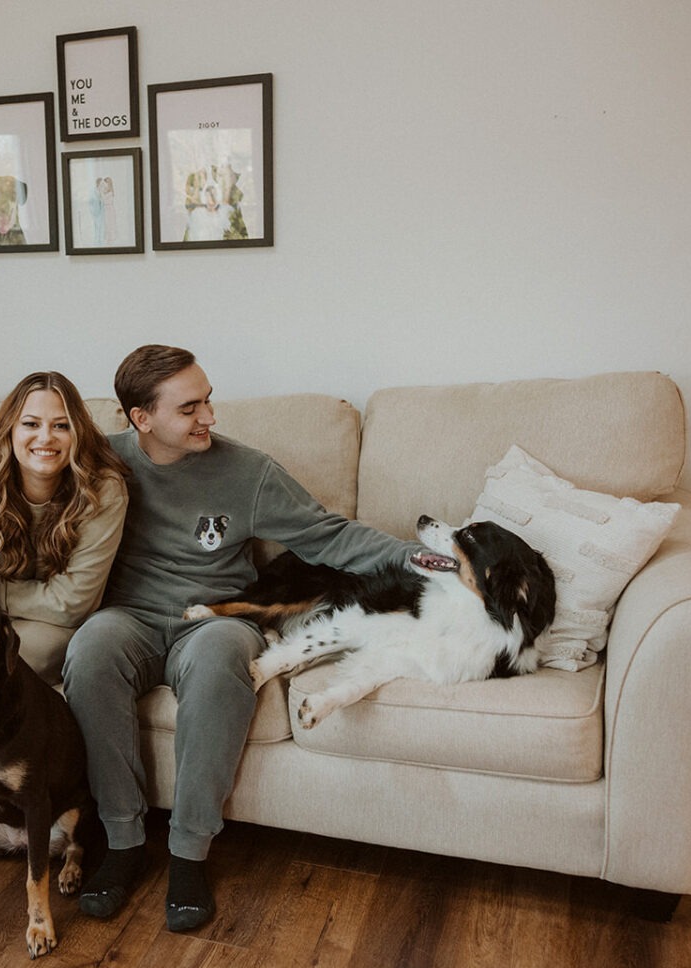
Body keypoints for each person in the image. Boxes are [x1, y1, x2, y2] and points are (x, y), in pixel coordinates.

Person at [62, 345, 421, 932]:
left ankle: (188, 853)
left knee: (221, 655)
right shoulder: (103, 461)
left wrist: (425, 559)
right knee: (90, 650)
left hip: (215, 618)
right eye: (189, 408)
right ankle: (122, 841)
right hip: (128, 617)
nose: (208, 417)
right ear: (140, 419)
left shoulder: (248, 472)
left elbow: (330, 537)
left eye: (208, 400)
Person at [0, 371, 129, 626]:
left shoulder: (102, 491)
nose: (46, 437)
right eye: (31, 424)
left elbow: (71, 605)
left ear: (77, 434)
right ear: (10, 430)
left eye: (61, 425)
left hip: (57, 625)